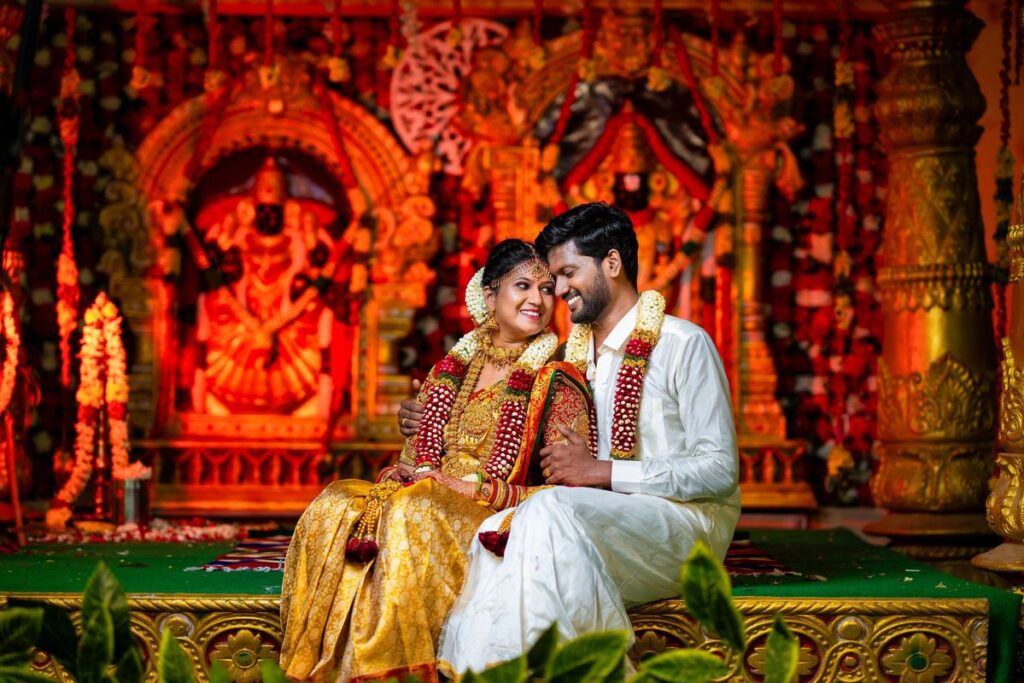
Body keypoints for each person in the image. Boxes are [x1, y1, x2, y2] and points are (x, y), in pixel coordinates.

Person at [402, 203, 740, 675]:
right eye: (552, 280)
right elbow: (498, 420)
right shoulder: (567, 359)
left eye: (566, 274)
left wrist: (603, 472)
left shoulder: (682, 344)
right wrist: (429, 417)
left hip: (685, 530)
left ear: (612, 264)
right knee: (494, 533)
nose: (557, 291)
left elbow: (719, 470)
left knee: (542, 513)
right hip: (594, 521)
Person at [280, 239, 593, 683]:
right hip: (427, 495)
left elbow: (571, 493)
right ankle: (322, 668)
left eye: (546, 290)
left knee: (415, 508)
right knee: (337, 502)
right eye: (522, 285)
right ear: (489, 296)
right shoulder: (450, 371)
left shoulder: (556, 380)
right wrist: (404, 474)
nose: (537, 300)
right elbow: (412, 458)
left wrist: (472, 489)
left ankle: (394, 672)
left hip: (493, 513)